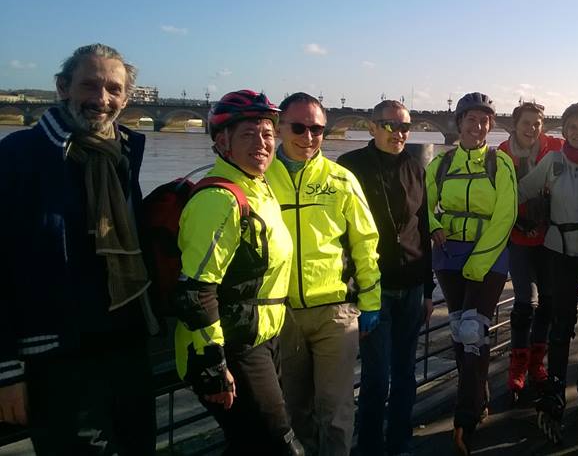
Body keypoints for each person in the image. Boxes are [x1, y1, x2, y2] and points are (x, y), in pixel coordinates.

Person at [0, 44, 157, 454]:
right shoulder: (18, 158)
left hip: (127, 349)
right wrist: (6, 372)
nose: (101, 100)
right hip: (57, 360)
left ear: (126, 98)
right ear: (62, 87)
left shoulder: (122, 154)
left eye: (113, 89)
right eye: (90, 85)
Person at [175, 90, 303, 455]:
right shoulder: (220, 199)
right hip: (231, 347)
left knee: (248, 444)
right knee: (280, 445)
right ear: (222, 142)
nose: (261, 143)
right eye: (248, 134)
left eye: (267, 133)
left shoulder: (259, 190)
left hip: (261, 337)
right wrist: (213, 364)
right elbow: (196, 289)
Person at [265, 92, 382, 456]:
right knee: (294, 410)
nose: (309, 136)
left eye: (317, 128)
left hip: (335, 312)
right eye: (299, 127)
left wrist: (371, 301)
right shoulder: (259, 179)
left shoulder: (341, 180)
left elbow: (366, 242)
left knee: (336, 410)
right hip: (280, 313)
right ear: (279, 128)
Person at [338, 100, 435, 456]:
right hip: (371, 289)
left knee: (405, 373)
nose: (400, 133)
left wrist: (428, 289)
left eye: (405, 127)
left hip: (411, 285)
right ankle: (369, 446)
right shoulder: (349, 168)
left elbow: (422, 227)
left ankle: (399, 441)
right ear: (372, 127)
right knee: (377, 377)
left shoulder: (415, 166)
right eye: (391, 125)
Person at [425, 92, 517, 454]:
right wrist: (433, 225)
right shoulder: (442, 163)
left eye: (484, 121)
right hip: (449, 258)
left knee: (470, 331)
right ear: (459, 123)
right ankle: (478, 395)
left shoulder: (500, 163)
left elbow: (505, 215)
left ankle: (465, 417)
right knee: (461, 333)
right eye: (471, 120)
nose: (478, 126)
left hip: (488, 258)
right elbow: (424, 202)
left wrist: (479, 262)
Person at [515, 103, 578, 441]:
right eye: (572, 127)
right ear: (564, 131)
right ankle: (556, 384)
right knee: (561, 319)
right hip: (560, 249)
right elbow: (520, 191)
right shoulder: (553, 162)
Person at [498, 102, 563, 403]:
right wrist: (514, 217)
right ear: (515, 124)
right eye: (526, 123)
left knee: (549, 303)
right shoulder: (501, 152)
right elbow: (494, 194)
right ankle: (517, 368)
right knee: (526, 303)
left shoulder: (554, 146)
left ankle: (538, 364)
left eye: (537, 123)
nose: (532, 128)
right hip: (520, 238)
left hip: (549, 238)